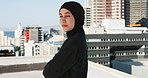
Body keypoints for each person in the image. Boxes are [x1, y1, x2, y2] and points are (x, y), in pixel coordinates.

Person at [43, 1, 88, 78]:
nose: (63, 20)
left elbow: (49, 72)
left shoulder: (74, 42)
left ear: (77, 17)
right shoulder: (79, 36)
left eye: (67, 16)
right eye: (61, 16)